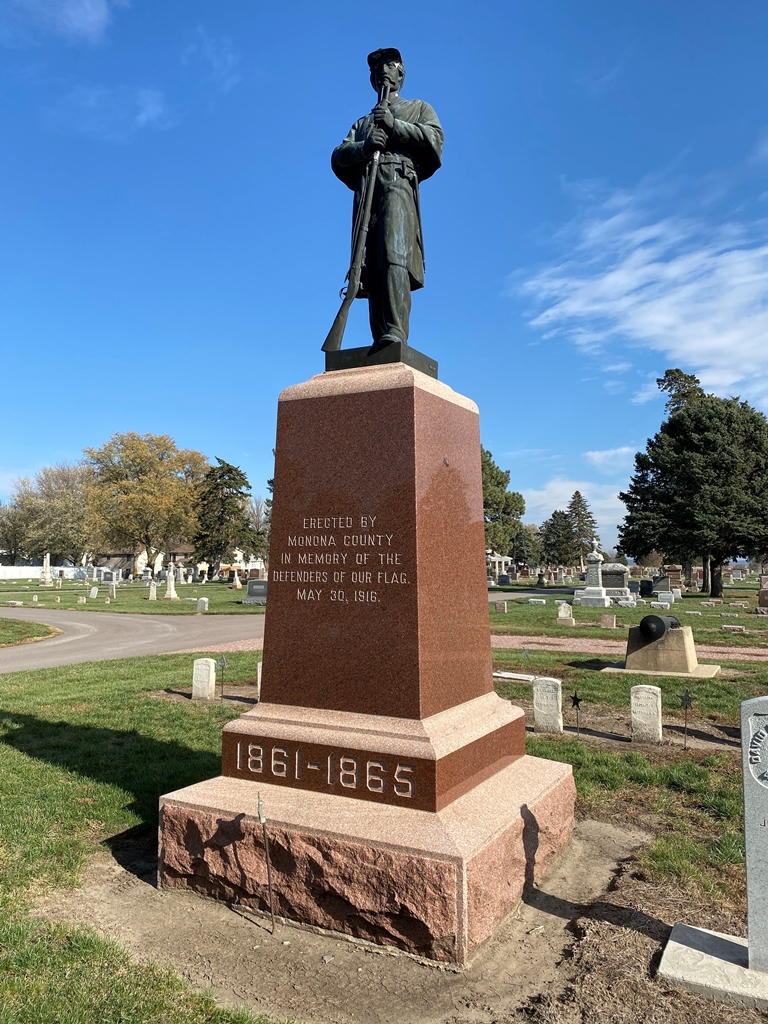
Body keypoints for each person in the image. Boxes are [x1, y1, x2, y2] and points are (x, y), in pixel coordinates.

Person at [331, 48, 443, 353]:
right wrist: (365, 147)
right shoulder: (362, 124)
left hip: (398, 183)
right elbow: (338, 156)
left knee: (394, 254)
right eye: (378, 67)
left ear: (401, 73)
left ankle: (394, 333)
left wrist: (395, 125)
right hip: (368, 189)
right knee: (369, 263)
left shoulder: (418, 108)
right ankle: (380, 336)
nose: (383, 70)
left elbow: (434, 140)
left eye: (390, 65)